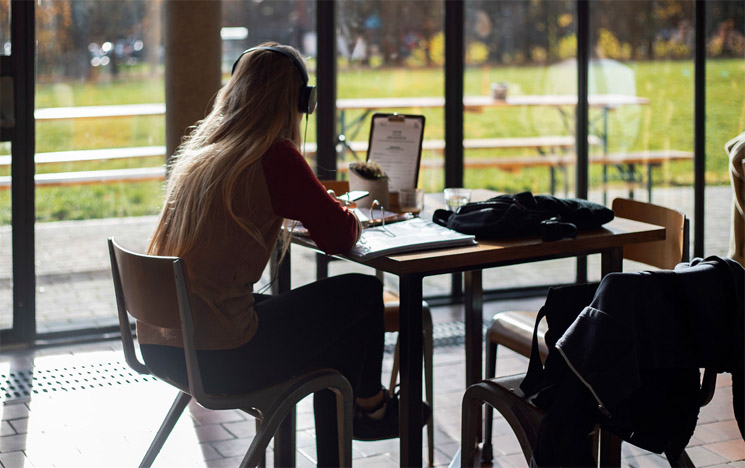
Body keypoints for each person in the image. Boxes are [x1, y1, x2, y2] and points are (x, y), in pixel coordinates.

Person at [139, 43, 424, 466]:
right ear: (299, 102)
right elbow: (340, 236)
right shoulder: (273, 154)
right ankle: (373, 406)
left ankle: (364, 414)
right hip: (220, 357)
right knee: (362, 295)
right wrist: (345, 209)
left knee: (336, 333)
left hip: (165, 347)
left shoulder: (203, 154)